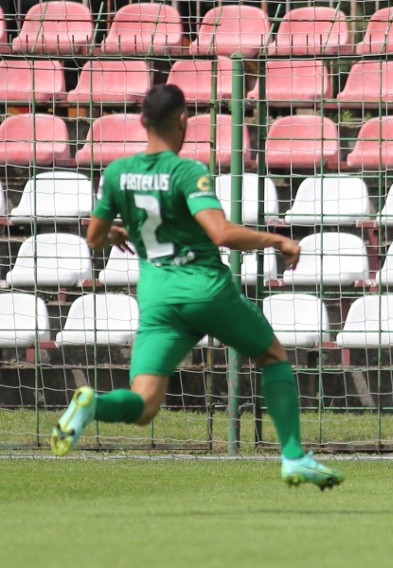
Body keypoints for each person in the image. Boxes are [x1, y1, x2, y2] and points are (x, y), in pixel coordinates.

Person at [50, 84, 343, 491]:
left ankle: (91, 403)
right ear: (184, 120)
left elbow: (94, 238)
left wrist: (119, 230)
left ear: (142, 121)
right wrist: (276, 240)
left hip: (158, 299)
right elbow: (220, 233)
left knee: (143, 405)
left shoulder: (117, 173)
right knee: (273, 356)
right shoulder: (188, 172)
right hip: (205, 289)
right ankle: (293, 455)